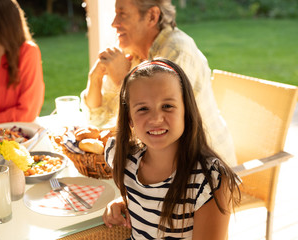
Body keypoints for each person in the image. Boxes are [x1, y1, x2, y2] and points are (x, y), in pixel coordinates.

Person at [81, 0, 237, 166]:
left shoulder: (177, 52)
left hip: (203, 171)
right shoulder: (132, 54)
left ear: (152, 16)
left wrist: (122, 79)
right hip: (159, 167)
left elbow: (160, 129)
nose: (114, 23)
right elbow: (98, 120)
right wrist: (95, 79)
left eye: (122, 14)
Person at [103, 59, 241, 239]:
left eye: (167, 106)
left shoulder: (209, 181)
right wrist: (124, 202)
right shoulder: (124, 159)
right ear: (130, 119)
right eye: (143, 108)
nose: (156, 118)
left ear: (186, 110)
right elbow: (150, 202)